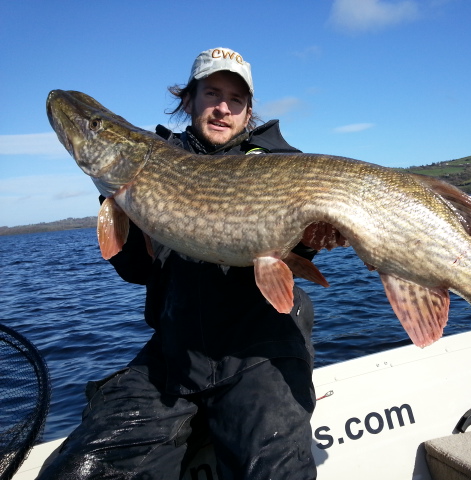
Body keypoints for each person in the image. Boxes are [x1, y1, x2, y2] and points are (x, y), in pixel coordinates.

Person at [38, 48, 318, 480]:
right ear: (188, 100)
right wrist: (125, 205)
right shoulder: (156, 161)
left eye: (236, 100)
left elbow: (300, 252)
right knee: (77, 472)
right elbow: (136, 272)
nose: (223, 107)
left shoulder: (280, 163)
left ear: (248, 112)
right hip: (173, 356)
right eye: (211, 93)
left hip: (262, 349)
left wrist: (311, 240)